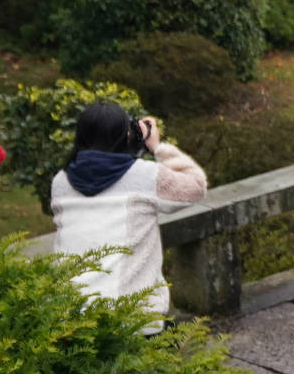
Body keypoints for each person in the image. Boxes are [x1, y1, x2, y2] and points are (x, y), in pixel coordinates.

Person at [48, 100, 205, 328]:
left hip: (71, 318)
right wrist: (157, 147)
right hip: (132, 319)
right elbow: (196, 186)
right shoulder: (144, 176)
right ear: (127, 136)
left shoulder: (60, 182)